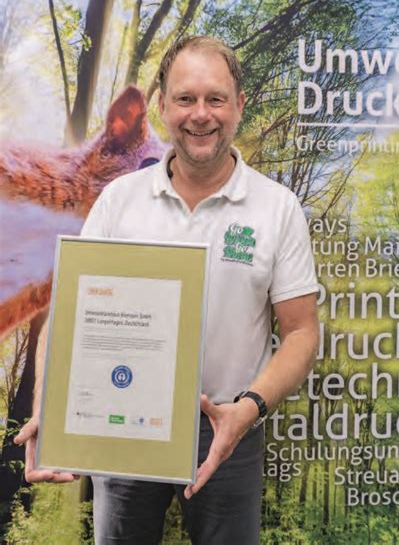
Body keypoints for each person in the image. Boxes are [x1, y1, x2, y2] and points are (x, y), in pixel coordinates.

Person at [15, 35, 319, 544]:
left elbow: (302, 333)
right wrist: (50, 405)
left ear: (239, 105)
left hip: (229, 422)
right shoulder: (119, 200)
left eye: (215, 98)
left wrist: (247, 411)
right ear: (162, 107)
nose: (201, 114)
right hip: (125, 419)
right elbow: (67, 314)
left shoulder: (277, 207)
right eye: (185, 99)